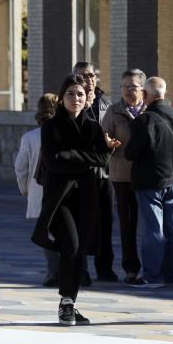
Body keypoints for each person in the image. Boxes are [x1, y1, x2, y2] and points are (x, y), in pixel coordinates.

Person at [32, 75, 120, 326]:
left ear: (87, 97)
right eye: (71, 94)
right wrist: (87, 157)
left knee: (81, 249)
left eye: (80, 94)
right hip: (61, 197)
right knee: (69, 245)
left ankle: (70, 301)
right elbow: (54, 161)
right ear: (62, 98)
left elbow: (102, 160)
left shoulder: (92, 125)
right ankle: (66, 303)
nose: (76, 98)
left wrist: (94, 152)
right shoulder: (51, 126)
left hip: (86, 194)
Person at [125, 76, 173, 289]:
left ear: (146, 95)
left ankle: (151, 276)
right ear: (164, 94)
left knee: (153, 229)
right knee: (172, 228)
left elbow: (132, 152)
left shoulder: (144, 119)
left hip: (149, 181)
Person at [100, 69, 146, 285]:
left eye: (133, 86)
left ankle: (152, 267)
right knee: (127, 225)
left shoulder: (150, 110)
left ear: (143, 89)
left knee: (150, 225)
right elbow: (102, 141)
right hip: (122, 176)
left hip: (148, 177)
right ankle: (131, 268)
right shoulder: (114, 111)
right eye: (125, 86)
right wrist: (108, 145)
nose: (128, 91)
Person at [73, 61, 117, 283]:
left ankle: (105, 267)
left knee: (105, 223)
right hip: (81, 175)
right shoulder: (73, 103)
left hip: (105, 174)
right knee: (82, 224)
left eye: (91, 75)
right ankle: (81, 270)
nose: (88, 80)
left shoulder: (106, 104)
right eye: (82, 76)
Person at [14, 92, 60, 287]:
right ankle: (69, 270)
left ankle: (53, 271)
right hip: (61, 188)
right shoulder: (64, 132)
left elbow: (21, 166)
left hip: (38, 189)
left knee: (48, 231)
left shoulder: (30, 137)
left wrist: (24, 188)